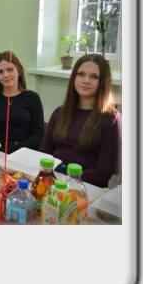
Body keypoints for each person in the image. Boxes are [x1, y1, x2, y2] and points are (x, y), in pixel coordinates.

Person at [39, 53, 121, 188]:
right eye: (81, 74)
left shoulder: (112, 119)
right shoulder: (59, 112)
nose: (86, 81)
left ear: (103, 82)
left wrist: (63, 179)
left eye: (94, 77)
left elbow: (102, 174)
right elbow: (44, 153)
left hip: (84, 187)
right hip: (52, 180)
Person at [0, 51, 45, 154]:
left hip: (28, 153)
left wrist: (11, 152)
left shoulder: (32, 97)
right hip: (1, 153)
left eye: (10, 70)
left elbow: (38, 136)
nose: (5, 75)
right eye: (0, 72)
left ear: (19, 70)